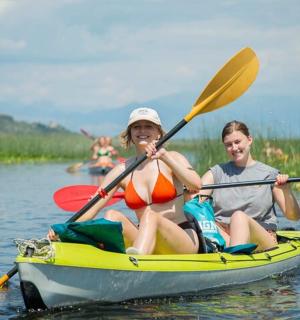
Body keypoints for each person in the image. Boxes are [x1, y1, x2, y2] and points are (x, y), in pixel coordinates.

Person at [49, 107, 202, 255]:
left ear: (158, 133)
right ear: (130, 134)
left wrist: (165, 157)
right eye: (136, 127)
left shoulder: (173, 157)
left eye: (148, 126)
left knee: (151, 215)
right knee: (112, 215)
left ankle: (135, 262)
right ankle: (110, 258)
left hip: (181, 237)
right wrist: (63, 229)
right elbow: (92, 207)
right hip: (145, 237)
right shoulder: (121, 171)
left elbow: (196, 184)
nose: (142, 131)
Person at [200, 120, 300, 251]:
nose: (234, 148)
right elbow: (196, 200)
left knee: (239, 217)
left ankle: (234, 263)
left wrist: (286, 190)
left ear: (249, 140)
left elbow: (294, 216)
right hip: (223, 235)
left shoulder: (270, 174)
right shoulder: (216, 173)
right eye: (229, 145)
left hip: (260, 236)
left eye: (237, 142)